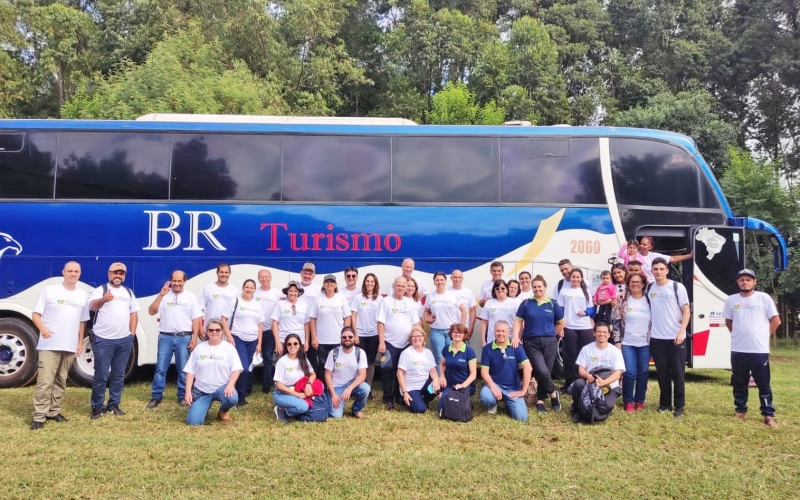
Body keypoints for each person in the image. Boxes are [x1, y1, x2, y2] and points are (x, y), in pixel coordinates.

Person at [30, 261, 89, 430]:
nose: (73, 274)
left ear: (80, 273)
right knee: (45, 381)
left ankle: (53, 411)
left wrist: (79, 342)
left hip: (69, 345)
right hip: (50, 344)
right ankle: (39, 416)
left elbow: (82, 322)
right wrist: (43, 329)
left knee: (61, 380)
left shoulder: (82, 295)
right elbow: (36, 314)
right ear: (63, 272)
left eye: (76, 271)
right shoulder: (50, 291)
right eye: (70, 271)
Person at [722, 269, 781, 427]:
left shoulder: (763, 298)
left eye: (748, 279)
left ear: (754, 282)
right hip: (738, 349)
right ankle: (741, 410)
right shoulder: (732, 300)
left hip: (759, 350)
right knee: (739, 382)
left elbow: (776, 321)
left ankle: (768, 414)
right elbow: (729, 321)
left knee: (763, 383)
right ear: (738, 282)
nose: (745, 282)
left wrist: (763, 336)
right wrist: (737, 334)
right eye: (742, 280)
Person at [87, 262, 139, 420]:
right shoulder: (101, 290)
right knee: (101, 375)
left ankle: (113, 404)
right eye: (115, 273)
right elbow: (92, 306)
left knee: (118, 374)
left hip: (123, 340)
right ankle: (97, 406)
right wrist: (104, 299)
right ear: (109, 274)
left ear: (124, 276)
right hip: (103, 340)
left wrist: (132, 333)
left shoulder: (128, 292)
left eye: (121, 273)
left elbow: (134, 313)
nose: (118, 276)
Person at [146, 270, 203, 409]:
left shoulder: (190, 297)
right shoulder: (164, 295)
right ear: (171, 280)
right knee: (160, 368)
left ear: (184, 281)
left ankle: (183, 396)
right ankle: (156, 396)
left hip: (184, 337)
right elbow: (151, 311)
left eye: (180, 281)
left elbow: (196, 318)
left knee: (183, 369)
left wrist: (194, 338)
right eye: (174, 280)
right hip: (166, 337)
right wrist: (161, 295)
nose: (177, 283)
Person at [512, 275, 565, 413]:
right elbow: (518, 320)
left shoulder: (552, 304)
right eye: (534, 287)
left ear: (545, 287)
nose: (537, 289)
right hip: (531, 342)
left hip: (550, 342)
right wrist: (516, 336)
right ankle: (553, 394)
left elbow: (561, 322)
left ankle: (540, 399)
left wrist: (553, 333)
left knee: (545, 372)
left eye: (539, 286)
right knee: (541, 370)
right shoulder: (526, 303)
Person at [648, 257, 691, 417]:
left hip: (675, 338)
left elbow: (686, 310)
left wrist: (682, 331)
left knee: (678, 374)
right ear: (652, 271)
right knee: (662, 373)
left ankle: (679, 407)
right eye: (655, 269)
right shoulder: (650, 288)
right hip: (657, 338)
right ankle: (664, 404)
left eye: (661, 269)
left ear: (667, 270)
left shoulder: (676, 287)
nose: (658, 271)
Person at [183, 319, 242, 425]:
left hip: (222, 388)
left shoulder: (229, 348)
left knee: (232, 398)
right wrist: (188, 392)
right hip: (202, 391)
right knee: (193, 422)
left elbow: (236, 369)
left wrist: (231, 384)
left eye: (217, 330)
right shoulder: (199, 348)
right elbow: (190, 372)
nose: (214, 332)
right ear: (207, 332)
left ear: (222, 331)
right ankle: (204, 405)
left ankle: (223, 411)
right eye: (211, 330)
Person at [377, 277, 421, 410]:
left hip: (407, 344)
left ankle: (399, 396)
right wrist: (381, 342)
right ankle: (388, 399)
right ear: (394, 286)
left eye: (403, 286)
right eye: (398, 286)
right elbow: (380, 323)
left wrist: (417, 340)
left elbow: (416, 323)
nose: (401, 288)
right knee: (387, 369)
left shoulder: (410, 303)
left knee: (402, 371)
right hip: (389, 343)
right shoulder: (386, 301)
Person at [568, 322, 626, 421]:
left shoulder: (615, 351)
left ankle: (604, 408)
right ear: (594, 333)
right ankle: (578, 408)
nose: (601, 334)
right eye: (599, 331)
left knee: (601, 411)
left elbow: (617, 374)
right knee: (578, 384)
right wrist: (587, 376)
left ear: (609, 334)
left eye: (604, 332)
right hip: (590, 383)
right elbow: (580, 369)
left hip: (609, 385)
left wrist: (604, 382)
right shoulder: (586, 349)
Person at [222, 279, 265, 409]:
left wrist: (259, 343)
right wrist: (229, 335)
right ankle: (239, 398)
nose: (249, 290)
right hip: (238, 338)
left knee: (249, 369)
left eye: (252, 288)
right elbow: (223, 319)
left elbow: (260, 325)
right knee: (243, 368)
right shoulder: (235, 301)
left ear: (254, 290)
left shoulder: (257, 304)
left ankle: (241, 394)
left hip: (252, 340)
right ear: (243, 288)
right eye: (247, 287)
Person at [612, 273, 651, 412]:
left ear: (643, 284)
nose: (635, 284)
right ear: (628, 283)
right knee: (629, 373)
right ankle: (628, 401)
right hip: (627, 342)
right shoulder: (623, 300)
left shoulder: (649, 300)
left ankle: (639, 401)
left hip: (645, 343)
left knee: (643, 373)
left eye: (638, 282)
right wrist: (617, 341)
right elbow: (615, 322)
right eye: (632, 282)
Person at [479, 321, 531, 422]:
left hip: (513, 388)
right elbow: (484, 372)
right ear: (494, 332)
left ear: (508, 333)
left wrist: (523, 390)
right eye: (498, 331)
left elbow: (528, 367)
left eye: (503, 331)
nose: (500, 334)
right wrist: (493, 386)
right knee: (486, 398)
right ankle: (493, 403)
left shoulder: (516, 346)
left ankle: (508, 403)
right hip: (495, 385)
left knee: (522, 418)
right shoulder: (487, 349)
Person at [309, 274, 352, 380]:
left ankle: (337, 387)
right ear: (323, 285)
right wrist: (314, 338)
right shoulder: (318, 298)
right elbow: (312, 319)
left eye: (332, 282)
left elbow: (347, 317)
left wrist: (345, 336)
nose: (329, 283)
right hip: (321, 340)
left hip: (337, 339)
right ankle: (323, 390)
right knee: (323, 366)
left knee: (337, 366)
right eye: (327, 282)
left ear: (335, 285)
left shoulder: (341, 298)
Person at [558, 268, 596, 389]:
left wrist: (585, 313)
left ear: (581, 278)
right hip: (569, 327)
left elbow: (592, 309)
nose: (575, 279)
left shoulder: (586, 292)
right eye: (573, 277)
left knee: (586, 355)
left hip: (585, 328)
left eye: (577, 277)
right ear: (570, 278)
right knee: (570, 356)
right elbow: (559, 310)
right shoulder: (564, 291)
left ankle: (587, 381)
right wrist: (561, 326)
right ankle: (569, 383)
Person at [324, 326, 370, 418]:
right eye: (344, 337)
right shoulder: (334, 353)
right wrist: (333, 394)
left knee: (366, 388)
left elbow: (362, 375)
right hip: (336, 387)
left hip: (352, 384)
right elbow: (327, 375)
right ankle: (332, 401)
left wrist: (349, 388)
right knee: (336, 416)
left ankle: (356, 409)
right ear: (341, 338)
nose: (347, 339)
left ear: (354, 338)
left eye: (350, 337)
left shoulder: (360, 353)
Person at [424, 271, 467, 370]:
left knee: (452, 356)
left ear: (445, 281)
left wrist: (462, 326)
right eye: (437, 280)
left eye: (441, 280)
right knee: (439, 357)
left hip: (451, 331)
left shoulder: (453, 295)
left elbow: (463, 310)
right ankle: (440, 381)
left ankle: (451, 380)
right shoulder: (431, 296)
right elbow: (426, 311)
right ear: (434, 282)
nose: (439, 282)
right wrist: (427, 318)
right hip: (436, 331)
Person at [350, 273, 383, 399]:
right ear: (364, 283)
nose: (370, 283)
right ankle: (357, 388)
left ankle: (368, 389)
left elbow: (381, 319)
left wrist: (381, 338)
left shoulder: (379, 299)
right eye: (367, 281)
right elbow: (354, 316)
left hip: (374, 334)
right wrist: (355, 334)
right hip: (360, 335)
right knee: (358, 363)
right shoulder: (358, 298)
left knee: (370, 363)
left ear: (375, 284)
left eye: (372, 281)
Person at [272, 333, 316, 422]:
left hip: (299, 388)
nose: (292, 346)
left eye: (295, 343)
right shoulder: (282, 362)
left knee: (315, 405)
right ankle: (282, 410)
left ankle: (289, 407)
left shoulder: (303, 359)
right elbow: (278, 384)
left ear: (300, 345)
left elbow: (313, 374)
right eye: (289, 344)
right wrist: (296, 394)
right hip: (282, 392)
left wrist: (308, 384)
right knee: (304, 407)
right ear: (286, 346)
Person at [397, 326, 440, 413]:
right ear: (411, 339)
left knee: (439, 384)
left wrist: (435, 379)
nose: (417, 338)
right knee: (420, 409)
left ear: (424, 337)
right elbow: (399, 374)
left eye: (419, 336)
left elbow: (432, 370)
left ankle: (422, 399)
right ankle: (411, 400)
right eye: (414, 337)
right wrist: (405, 392)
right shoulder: (406, 353)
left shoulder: (428, 352)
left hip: (424, 386)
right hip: (411, 388)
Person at [437, 324, 477, 415]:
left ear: (464, 335)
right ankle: (425, 398)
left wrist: (462, 385)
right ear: (451, 334)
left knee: (456, 406)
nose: (457, 334)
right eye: (455, 332)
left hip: (465, 385)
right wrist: (442, 376)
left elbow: (473, 374)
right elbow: (442, 364)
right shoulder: (446, 349)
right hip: (449, 384)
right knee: (438, 402)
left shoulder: (469, 351)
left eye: (460, 332)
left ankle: (467, 402)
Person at [254, 269, 280, 393]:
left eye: (266, 277)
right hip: (255, 331)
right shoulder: (254, 292)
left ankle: (266, 386)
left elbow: (279, 313)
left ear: (270, 278)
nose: (264, 279)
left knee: (268, 359)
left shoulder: (276, 293)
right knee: (252, 359)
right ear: (258, 279)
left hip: (269, 331)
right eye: (261, 277)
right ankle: (248, 386)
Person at [200, 263, 237, 343]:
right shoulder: (208, 288)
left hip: (227, 331)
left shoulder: (234, 290)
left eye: (226, 272)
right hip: (210, 330)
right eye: (221, 272)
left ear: (230, 274)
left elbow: (237, 312)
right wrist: (201, 327)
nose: (224, 274)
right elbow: (201, 309)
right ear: (217, 273)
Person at [478, 279, 521, 347]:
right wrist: (483, 340)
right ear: (494, 291)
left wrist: (518, 337)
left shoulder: (515, 303)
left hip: (510, 340)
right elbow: (484, 323)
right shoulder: (489, 303)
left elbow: (519, 322)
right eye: (497, 288)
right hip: (492, 340)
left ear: (507, 290)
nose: (500, 290)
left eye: (503, 288)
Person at [271, 281, 310, 354]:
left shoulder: (304, 305)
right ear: (287, 292)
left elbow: (306, 324)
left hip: (299, 341)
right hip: (283, 341)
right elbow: (275, 323)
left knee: (299, 364)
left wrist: (307, 341)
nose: (293, 293)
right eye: (291, 291)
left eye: (295, 291)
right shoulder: (280, 304)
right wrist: (277, 342)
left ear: (298, 293)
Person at [448, 269, 477, 337]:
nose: (457, 279)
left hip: (465, 327)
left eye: (459, 277)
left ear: (462, 279)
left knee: (464, 347)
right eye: (455, 277)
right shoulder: (447, 292)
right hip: (450, 328)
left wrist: (471, 326)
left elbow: (472, 311)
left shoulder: (468, 292)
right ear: (451, 278)